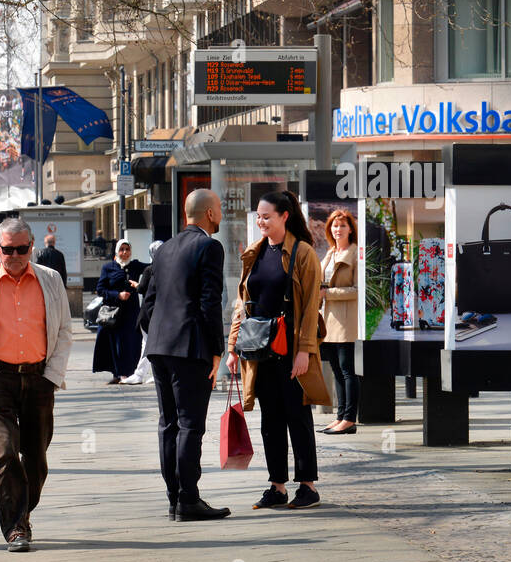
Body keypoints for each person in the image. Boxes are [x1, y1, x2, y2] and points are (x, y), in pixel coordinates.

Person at [0, 217, 72, 551]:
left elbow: (64, 330)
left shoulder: (50, 280)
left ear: (32, 246)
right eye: (8, 249)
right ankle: (16, 527)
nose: (15, 256)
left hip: (39, 378)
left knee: (35, 458)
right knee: (7, 453)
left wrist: (52, 375)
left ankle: (20, 508)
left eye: (22, 249)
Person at [227, 190, 330, 510]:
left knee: (297, 415)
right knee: (270, 418)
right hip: (259, 349)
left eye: (267, 216)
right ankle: (277, 486)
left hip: (291, 349)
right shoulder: (255, 253)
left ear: (285, 216)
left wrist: (305, 351)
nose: (261, 222)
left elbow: (312, 306)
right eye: (258, 216)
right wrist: (233, 347)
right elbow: (241, 304)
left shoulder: (302, 253)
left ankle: (308, 486)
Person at [140, 192, 230, 521]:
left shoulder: (164, 249)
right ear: (209, 213)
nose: (220, 214)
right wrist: (217, 350)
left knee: (168, 425)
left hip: (160, 347)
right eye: (219, 209)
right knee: (191, 425)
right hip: (190, 348)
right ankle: (189, 500)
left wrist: (158, 336)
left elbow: (148, 302)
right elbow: (210, 303)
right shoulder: (209, 247)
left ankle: (174, 499)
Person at [318, 210, 360, 435]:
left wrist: (329, 293)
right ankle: (340, 416)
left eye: (342, 225)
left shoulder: (355, 254)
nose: (338, 229)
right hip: (328, 320)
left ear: (350, 229)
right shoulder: (331, 252)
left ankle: (350, 418)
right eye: (334, 226)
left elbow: (357, 290)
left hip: (345, 321)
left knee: (347, 371)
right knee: (336, 370)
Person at [92, 238, 143, 384]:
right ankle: (118, 373)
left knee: (131, 342)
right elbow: (100, 290)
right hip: (114, 312)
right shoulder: (108, 267)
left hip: (131, 312)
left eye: (127, 249)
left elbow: (152, 268)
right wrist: (117, 295)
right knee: (114, 343)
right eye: (122, 249)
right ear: (117, 251)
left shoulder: (135, 266)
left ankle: (128, 372)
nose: (125, 252)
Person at [120, 240, 162, 386]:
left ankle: (140, 374)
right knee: (157, 345)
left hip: (149, 313)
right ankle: (156, 374)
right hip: (162, 312)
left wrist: (137, 285)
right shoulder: (168, 269)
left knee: (147, 344)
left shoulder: (150, 270)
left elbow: (143, 289)